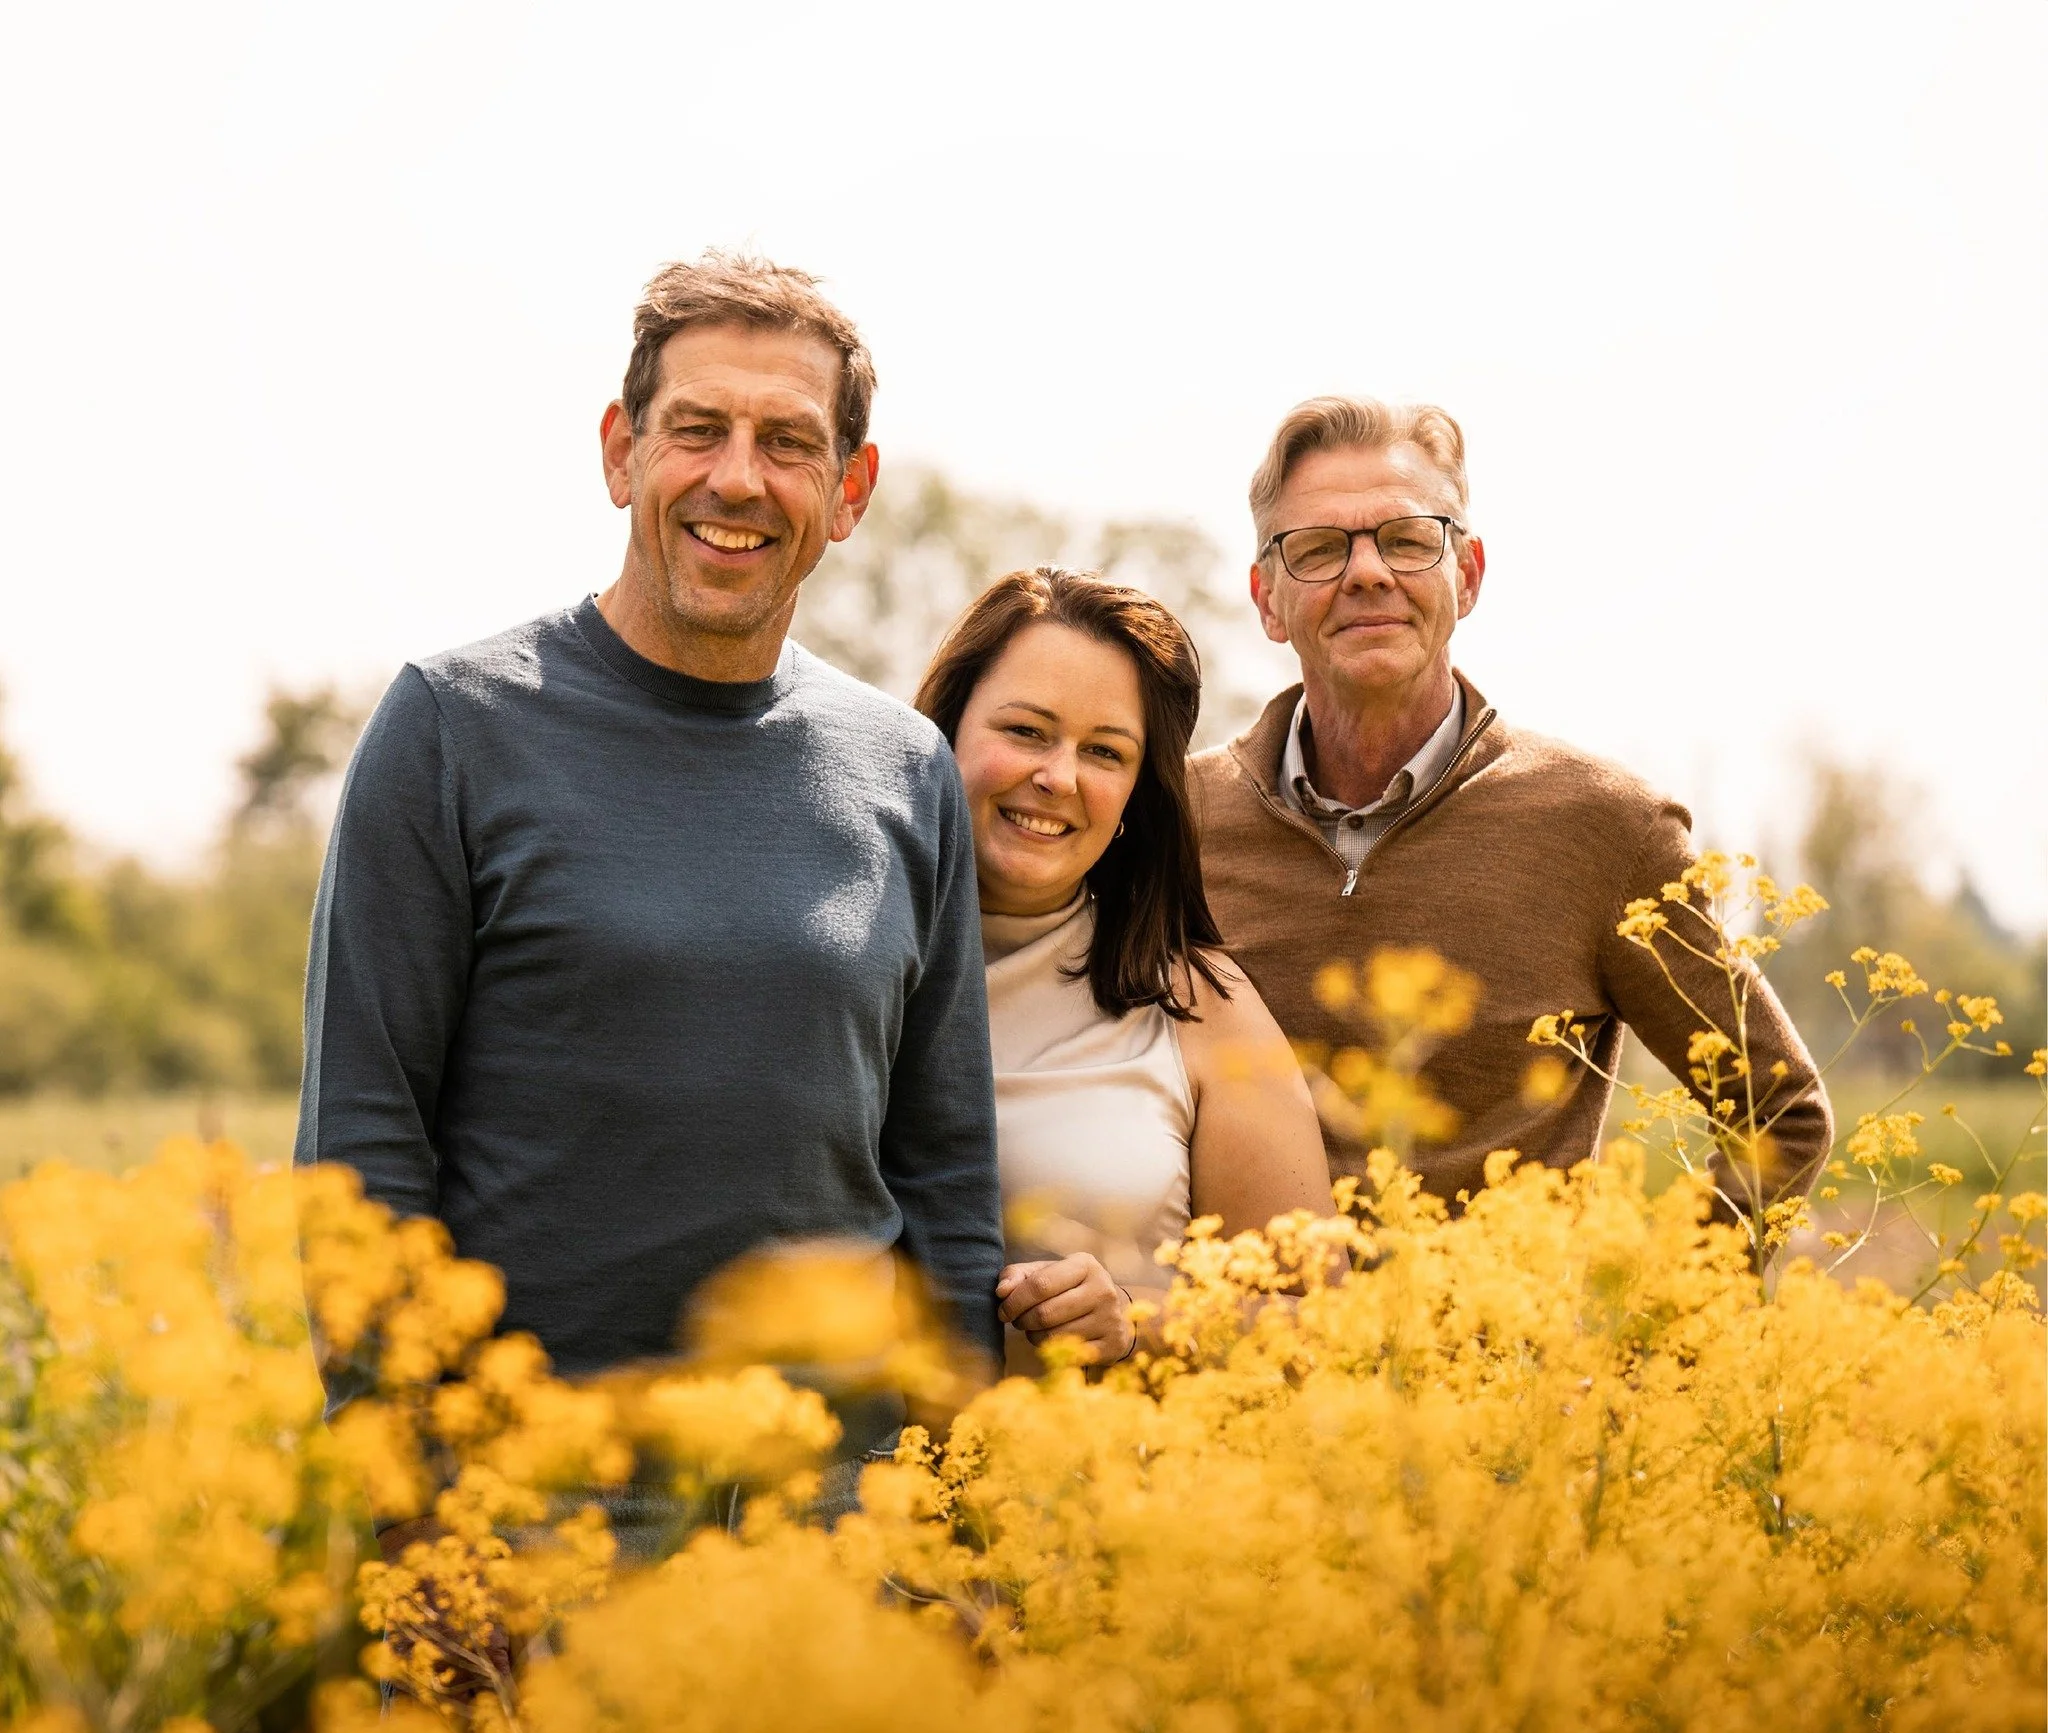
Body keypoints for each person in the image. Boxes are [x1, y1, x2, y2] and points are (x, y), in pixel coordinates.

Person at [298, 253, 1005, 1533]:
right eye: (698, 430)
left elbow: (945, 1176)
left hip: (830, 1520)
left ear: (848, 490)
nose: (738, 477)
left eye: (788, 442)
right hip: (530, 1512)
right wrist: (402, 1513)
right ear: (623, 452)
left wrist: (951, 1507)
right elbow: (362, 1146)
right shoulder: (451, 728)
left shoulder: (906, 767)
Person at [1191, 396, 1832, 1225]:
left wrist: (1653, 1326)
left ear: (1468, 575)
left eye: (1409, 539)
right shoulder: (1173, 819)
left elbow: (1781, 1113)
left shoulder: (1608, 829)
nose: (1368, 572)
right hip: (1227, 1351)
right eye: (1317, 549)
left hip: (1510, 1357)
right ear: (1267, 601)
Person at [915, 567, 1331, 1373]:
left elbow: (1322, 1321)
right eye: (1027, 731)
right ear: (944, 730)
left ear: (1139, 792)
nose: (1059, 778)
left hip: (1102, 1490)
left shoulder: (1199, 1007)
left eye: (1105, 751)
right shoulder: (839, 967)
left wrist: (1142, 1321)